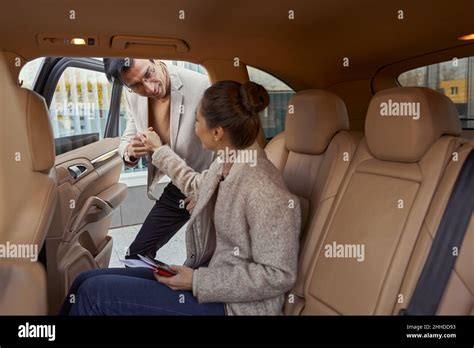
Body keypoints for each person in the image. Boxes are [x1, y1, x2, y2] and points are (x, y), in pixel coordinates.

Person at [60, 81, 301, 315]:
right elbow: (196, 185)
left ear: (217, 132)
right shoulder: (226, 163)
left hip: (234, 308)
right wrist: (159, 151)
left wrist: (196, 281)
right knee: (86, 279)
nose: (195, 129)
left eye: (197, 121)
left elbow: (278, 274)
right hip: (210, 281)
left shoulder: (265, 190)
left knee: (95, 292)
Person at [104, 58, 214, 260]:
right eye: (136, 85)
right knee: (135, 256)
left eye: (149, 74)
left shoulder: (202, 87)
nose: (149, 88)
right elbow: (129, 131)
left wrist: (208, 191)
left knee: (204, 267)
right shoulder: (133, 95)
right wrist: (129, 151)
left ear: (155, 59)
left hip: (210, 184)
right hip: (178, 186)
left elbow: (229, 148)